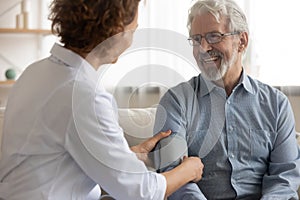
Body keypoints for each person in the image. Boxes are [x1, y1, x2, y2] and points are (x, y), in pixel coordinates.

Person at [0, 0, 204, 199]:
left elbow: (56, 160)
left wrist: (130, 156)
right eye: (132, 32)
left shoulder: (35, 72)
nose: (132, 41)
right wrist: (189, 170)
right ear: (114, 31)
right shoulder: (83, 97)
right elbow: (140, 192)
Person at [153, 0, 300, 199]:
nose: (203, 47)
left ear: (242, 41)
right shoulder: (176, 102)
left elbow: (284, 177)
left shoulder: (276, 104)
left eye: (214, 36)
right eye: (196, 39)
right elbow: (174, 178)